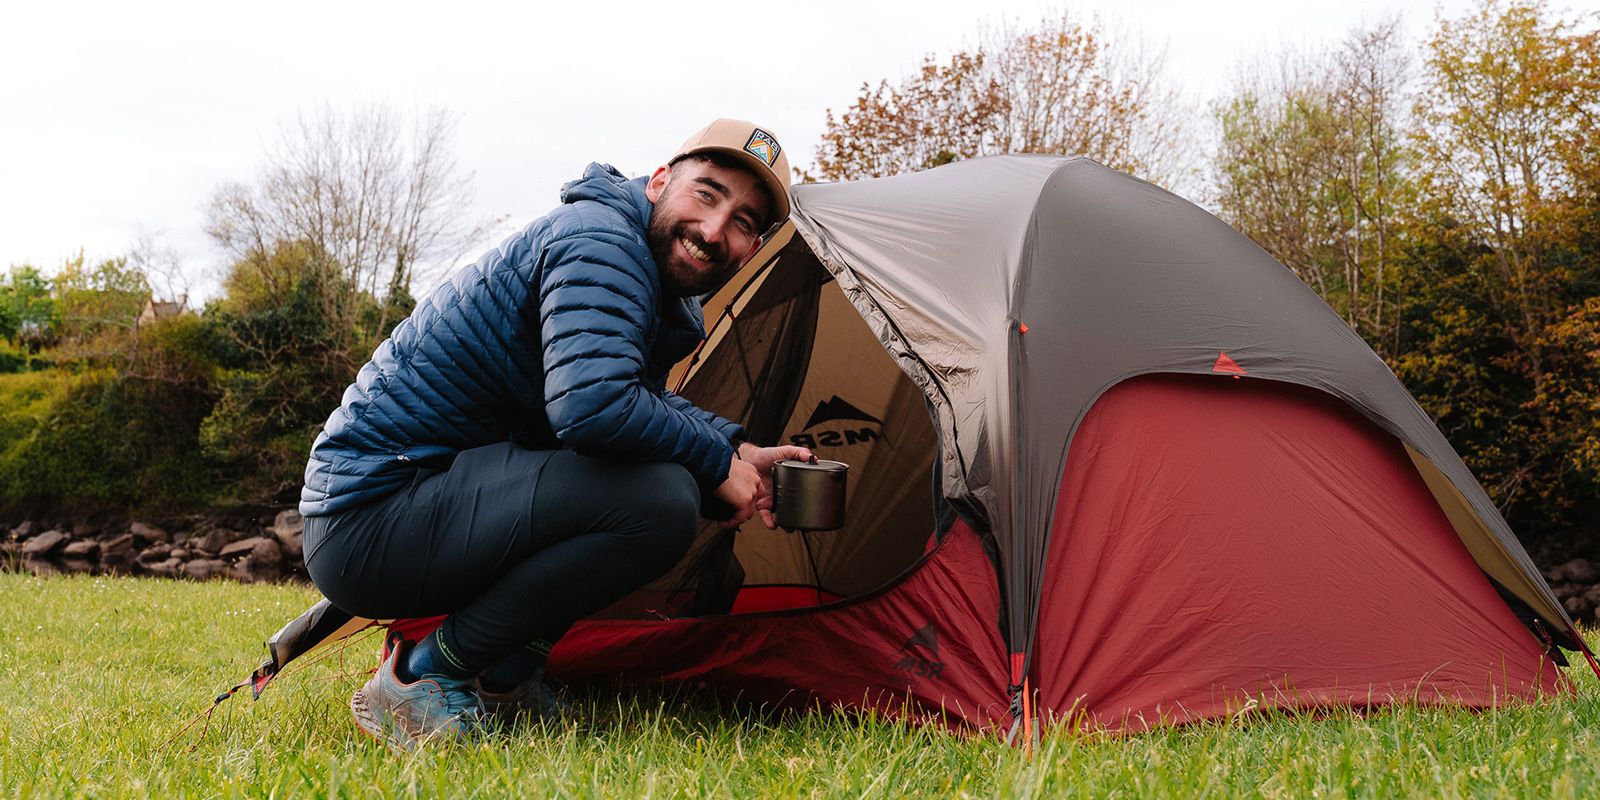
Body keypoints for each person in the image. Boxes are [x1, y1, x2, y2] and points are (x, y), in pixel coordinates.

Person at [297, 119, 811, 751]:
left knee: (659, 490)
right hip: (372, 514)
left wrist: (733, 449)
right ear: (658, 183)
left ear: (753, 249)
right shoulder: (599, 240)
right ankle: (421, 677)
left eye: (742, 221)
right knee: (659, 501)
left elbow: (628, 401)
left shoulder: (650, 281)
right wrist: (711, 463)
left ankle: (506, 679)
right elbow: (593, 407)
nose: (712, 230)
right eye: (707, 194)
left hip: (415, 508)